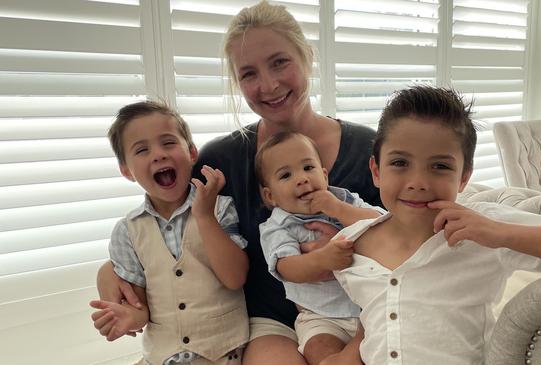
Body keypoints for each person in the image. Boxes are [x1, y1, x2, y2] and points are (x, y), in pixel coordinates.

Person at [92, 2, 381, 364]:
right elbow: (170, 223)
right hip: (269, 323)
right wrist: (111, 272)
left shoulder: (368, 148)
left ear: (306, 56)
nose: (269, 85)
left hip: (361, 315)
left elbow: (405, 234)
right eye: (248, 74)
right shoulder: (220, 160)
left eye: (280, 62)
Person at [330, 85, 541, 365]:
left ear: (464, 177)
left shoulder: (483, 228)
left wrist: (500, 234)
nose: (417, 183)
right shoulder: (349, 245)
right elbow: (367, 312)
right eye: (400, 163)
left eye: (440, 166)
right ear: (376, 171)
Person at [89, 101, 249, 365]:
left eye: (168, 143)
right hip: (162, 356)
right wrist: (128, 316)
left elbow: (235, 278)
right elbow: (140, 309)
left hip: (223, 352)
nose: (158, 155)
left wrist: (205, 217)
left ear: (192, 152)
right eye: (142, 150)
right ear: (126, 171)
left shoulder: (220, 207)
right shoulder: (126, 231)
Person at [255, 132, 382, 364]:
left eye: (308, 168)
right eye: (286, 175)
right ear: (270, 195)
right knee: (319, 350)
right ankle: (350, 353)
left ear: (324, 175)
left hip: (370, 306)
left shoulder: (344, 199)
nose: (302, 179)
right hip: (321, 317)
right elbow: (287, 268)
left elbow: (382, 223)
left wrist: (339, 210)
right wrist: (322, 260)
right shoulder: (277, 226)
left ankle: (357, 349)